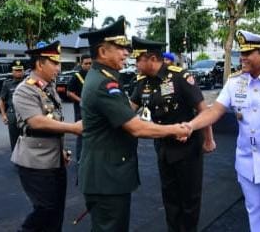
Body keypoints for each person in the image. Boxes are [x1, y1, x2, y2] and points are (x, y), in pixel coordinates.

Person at [186, 31, 260, 232]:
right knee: (253, 213)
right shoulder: (235, 81)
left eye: (249, 52)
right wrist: (191, 126)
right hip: (245, 163)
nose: (242, 57)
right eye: (242, 52)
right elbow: (215, 110)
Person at [79, 18, 191, 232]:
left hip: (107, 175)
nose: (126, 53)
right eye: (120, 48)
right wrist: (175, 129)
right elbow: (136, 127)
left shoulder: (103, 78)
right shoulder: (104, 83)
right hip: (106, 179)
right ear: (103, 52)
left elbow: (126, 111)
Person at [129, 37, 215, 231]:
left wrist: (209, 139)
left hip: (188, 148)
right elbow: (128, 110)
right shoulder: (143, 83)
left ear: (151, 58)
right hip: (163, 147)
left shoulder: (179, 77)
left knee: (189, 199)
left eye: (138, 59)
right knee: (170, 198)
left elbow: (204, 110)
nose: (135, 64)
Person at [11, 41, 82, 231]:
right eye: (55, 63)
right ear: (40, 64)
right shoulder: (25, 89)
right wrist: (73, 128)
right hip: (35, 162)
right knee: (45, 209)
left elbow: (53, 120)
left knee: (57, 212)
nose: (59, 68)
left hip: (55, 160)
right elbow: (37, 122)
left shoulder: (48, 87)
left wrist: (62, 150)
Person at [65, 53, 91, 162]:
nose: (89, 65)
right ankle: (80, 159)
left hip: (93, 111)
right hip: (81, 110)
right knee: (82, 135)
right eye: (86, 63)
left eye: (91, 63)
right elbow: (69, 93)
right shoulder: (77, 76)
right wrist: (81, 100)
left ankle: (89, 158)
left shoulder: (94, 75)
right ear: (81, 64)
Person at [0, 60, 26, 152]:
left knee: (27, 138)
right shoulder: (7, 84)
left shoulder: (28, 83)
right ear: (12, 71)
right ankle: (16, 159)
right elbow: (2, 101)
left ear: (24, 71)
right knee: (14, 139)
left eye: (20, 70)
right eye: (16, 70)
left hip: (26, 114)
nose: (18, 73)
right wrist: (3, 115)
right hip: (12, 114)